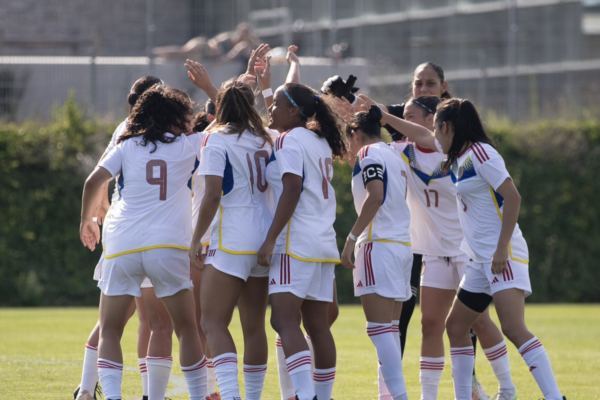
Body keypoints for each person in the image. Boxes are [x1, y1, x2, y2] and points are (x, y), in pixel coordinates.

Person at [363, 94, 566, 400]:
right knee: (455, 327)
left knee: (513, 327)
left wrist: (500, 250)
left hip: (502, 256)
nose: (432, 134)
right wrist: (385, 117)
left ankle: (555, 397)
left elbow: (513, 198)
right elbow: (419, 135)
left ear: (447, 127)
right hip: (479, 261)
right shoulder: (459, 157)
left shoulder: (482, 153)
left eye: (437, 128)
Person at [79, 84, 207, 400]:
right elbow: (229, 128)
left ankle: (111, 397)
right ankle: (199, 395)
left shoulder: (126, 144)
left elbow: (94, 180)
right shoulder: (189, 144)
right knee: (187, 329)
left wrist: (86, 220)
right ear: (174, 116)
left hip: (122, 243)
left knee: (110, 329)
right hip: (167, 246)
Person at [388, 95, 515, 400]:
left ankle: (506, 389)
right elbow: (366, 141)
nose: (409, 123)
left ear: (438, 122)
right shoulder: (403, 150)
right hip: (433, 251)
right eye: (404, 116)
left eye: (415, 116)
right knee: (431, 324)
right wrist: (370, 112)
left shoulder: (462, 154)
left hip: (464, 249)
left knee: (481, 322)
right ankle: (428, 397)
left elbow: (510, 197)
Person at [255, 79, 345, 400]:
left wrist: (269, 239)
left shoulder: (288, 140)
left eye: (277, 104)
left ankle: (304, 396)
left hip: (296, 243)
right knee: (318, 327)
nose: (270, 108)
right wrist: (268, 84)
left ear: (293, 111)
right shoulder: (318, 140)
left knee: (282, 320)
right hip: (321, 242)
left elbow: (292, 188)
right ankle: (322, 396)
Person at [188, 78, 274, 400]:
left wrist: (196, 239)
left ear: (219, 107)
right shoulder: (265, 139)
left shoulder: (215, 139)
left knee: (212, 322)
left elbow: (211, 195)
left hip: (232, 237)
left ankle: (231, 395)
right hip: (264, 235)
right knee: (254, 327)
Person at [339, 105, 411, 400]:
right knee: (390, 331)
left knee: (379, 330)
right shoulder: (396, 154)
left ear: (356, 134)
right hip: (402, 246)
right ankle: (387, 396)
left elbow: (375, 196)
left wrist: (351, 237)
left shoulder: (369, 153)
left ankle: (401, 396)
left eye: (348, 140)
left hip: (377, 244)